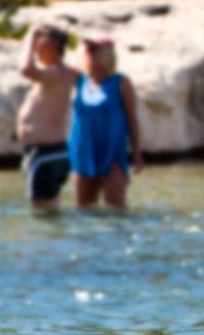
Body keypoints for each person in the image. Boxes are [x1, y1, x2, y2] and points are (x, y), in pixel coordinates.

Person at [70, 35, 142, 210]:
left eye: (94, 49)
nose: (89, 53)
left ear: (106, 53)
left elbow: (132, 118)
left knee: (116, 210)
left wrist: (137, 153)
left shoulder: (120, 83)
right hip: (83, 151)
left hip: (112, 151)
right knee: (83, 211)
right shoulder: (79, 81)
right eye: (87, 50)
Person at [16, 25, 79, 211]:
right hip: (50, 153)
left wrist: (28, 35)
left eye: (39, 39)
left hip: (45, 153)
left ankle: (49, 241)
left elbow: (25, 69)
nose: (35, 45)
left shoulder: (56, 73)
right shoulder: (63, 74)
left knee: (43, 216)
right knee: (49, 212)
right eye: (34, 40)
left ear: (55, 44)